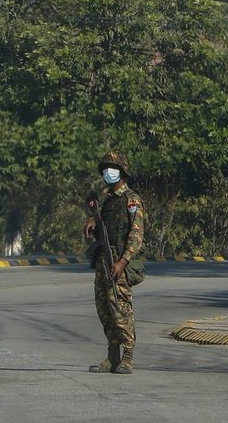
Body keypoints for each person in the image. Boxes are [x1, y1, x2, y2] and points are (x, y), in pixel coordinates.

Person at [82, 150, 145, 374]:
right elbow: (104, 232)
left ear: (122, 172)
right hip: (103, 262)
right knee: (105, 310)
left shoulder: (131, 201)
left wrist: (122, 262)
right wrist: (92, 223)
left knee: (121, 309)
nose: (108, 172)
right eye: (106, 168)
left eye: (113, 168)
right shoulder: (107, 201)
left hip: (119, 264)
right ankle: (112, 356)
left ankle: (127, 357)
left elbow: (136, 237)